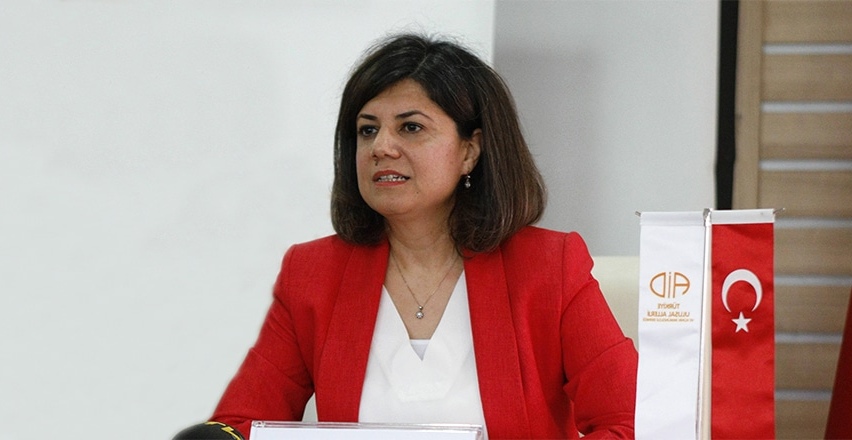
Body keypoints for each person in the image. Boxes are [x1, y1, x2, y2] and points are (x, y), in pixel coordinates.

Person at [207, 33, 637, 439]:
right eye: (367, 129)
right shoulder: (313, 274)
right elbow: (239, 425)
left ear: (470, 150)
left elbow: (634, 421)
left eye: (410, 127)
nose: (381, 147)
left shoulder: (548, 267)